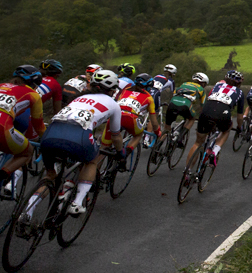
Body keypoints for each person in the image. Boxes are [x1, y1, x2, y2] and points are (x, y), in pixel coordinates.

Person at [38, 69, 125, 215]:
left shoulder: (78, 98)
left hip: (50, 135)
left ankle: (25, 212)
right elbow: (115, 136)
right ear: (111, 90)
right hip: (78, 137)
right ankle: (77, 203)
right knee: (91, 161)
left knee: (50, 176)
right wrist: (120, 152)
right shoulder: (113, 104)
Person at [183, 70, 245, 178]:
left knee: (198, 143)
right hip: (223, 113)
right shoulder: (240, 93)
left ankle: (187, 172)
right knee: (227, 129)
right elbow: (239, 116)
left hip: (207, 110)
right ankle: (215, 151)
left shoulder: (218, 85)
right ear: (239, 83)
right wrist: (239, 127)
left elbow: (209, 98)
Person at [0, 65, 46, 192]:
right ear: (34, 84)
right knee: (27, 152)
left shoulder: (2, 85)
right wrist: (47, 139)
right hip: (2, 126)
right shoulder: (33, 95)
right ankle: (3, 174)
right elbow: (39, 127)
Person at [105, 73, 161, 157]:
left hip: (115, 117)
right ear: (149, 86)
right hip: (130, 118)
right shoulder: (149, 97)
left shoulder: (126, 89)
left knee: (104, 147)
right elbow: (153, 121)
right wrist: (157, 132)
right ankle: (124, 155)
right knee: (138, 135)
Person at [164, 72, 209, 140]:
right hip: (185, 106)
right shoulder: (201, 90)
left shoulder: (184, 83)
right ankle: (180, 136)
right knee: (192, 119)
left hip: (172, 104)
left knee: (167, 128)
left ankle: (158, 144)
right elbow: (202, 106)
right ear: (203, 83)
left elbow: (174, 93)